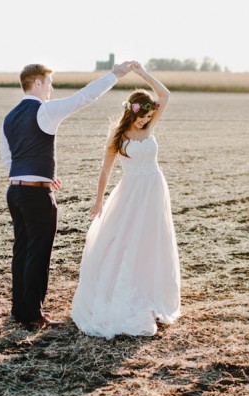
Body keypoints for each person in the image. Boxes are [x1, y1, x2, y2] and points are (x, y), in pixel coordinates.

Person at [0, 61, 134, 330]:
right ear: (37, 83)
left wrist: (42, 173)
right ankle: (33, 314)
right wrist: (115, 74)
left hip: (15, 191)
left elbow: (9, 159)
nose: (51, 88)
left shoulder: (9, 117)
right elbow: (84, 97)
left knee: (21, 250)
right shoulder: (45, 111)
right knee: (38, 252)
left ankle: (20, 309)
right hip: (37, 196)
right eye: (49, 83)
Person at [71, 62, 181, 340]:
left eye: (147, 117)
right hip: (131, 192)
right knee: (124, 239)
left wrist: (142, 75)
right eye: (141, 117)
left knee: (151, 240)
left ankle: (150, 291)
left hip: (154, 189)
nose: (145, 121)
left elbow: (165, 96)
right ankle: (123, 290)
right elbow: (105, 170)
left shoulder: (150, 124)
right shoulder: (118, 137)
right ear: (130, 112)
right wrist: (98, 201)